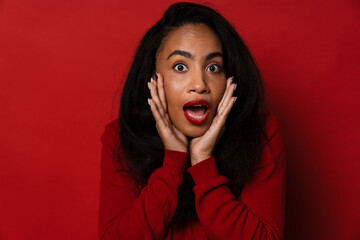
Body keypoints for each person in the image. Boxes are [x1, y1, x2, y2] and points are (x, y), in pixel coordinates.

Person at [98, 2, 285, 239]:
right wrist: (172, 164)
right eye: (180, 66)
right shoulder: (121, 138)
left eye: (213, 67)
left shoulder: (261, 134)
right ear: (153, 79)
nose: (199, 85)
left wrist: (203, 164)